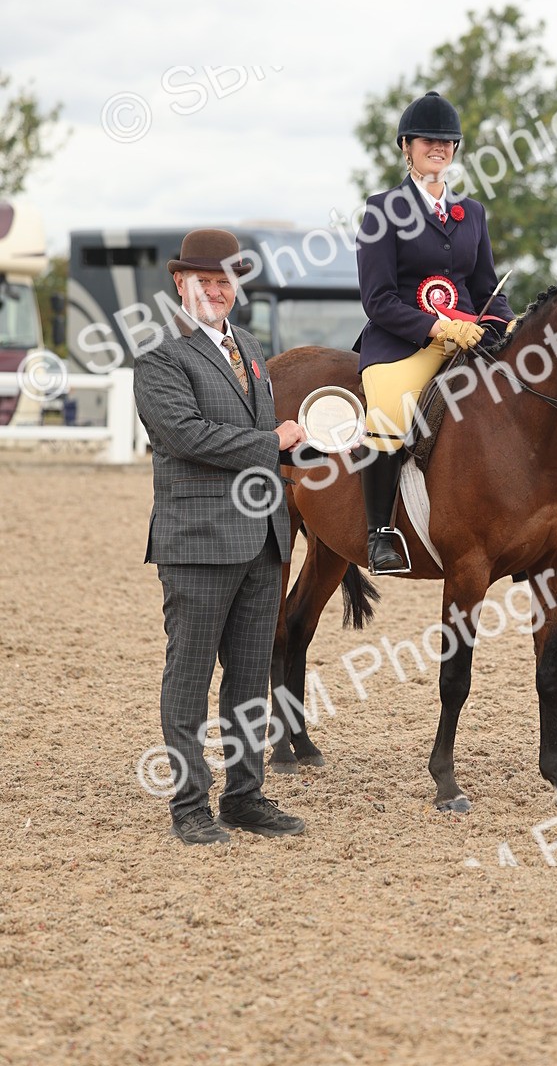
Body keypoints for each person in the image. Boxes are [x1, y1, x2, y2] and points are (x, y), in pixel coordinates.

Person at [133, 228, 307, 846]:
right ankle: (188, 804)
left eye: (225, 280)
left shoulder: (253, 350)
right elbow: (187, 437)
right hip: (198, 540)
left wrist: (305, 443)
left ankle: (244, 795)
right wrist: (273, 442)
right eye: (205, 280)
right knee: (190, 676)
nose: (217, 290)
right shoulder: (160, 357)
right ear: (180, 285)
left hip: (263, 539)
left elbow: (265, 439)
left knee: (248, 676)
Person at [353, 90, 515, 573]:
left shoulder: (473, 214)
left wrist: (498, 324)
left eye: (447, 142)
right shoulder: (382, 211)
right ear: (407, 147)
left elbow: (488, 287)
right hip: (404, 343)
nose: (438, 148)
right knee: (389, 413)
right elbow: (377, 298)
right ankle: (380, 531)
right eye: (428, 141)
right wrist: (435, 327)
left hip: (468, 336)